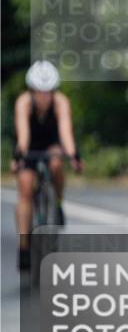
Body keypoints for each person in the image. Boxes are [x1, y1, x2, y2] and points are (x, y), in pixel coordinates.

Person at [11, 60, 83, 271]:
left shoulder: (61, 102)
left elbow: (66, 132)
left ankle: (58, 202)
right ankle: (24, 246)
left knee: (56, 165)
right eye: (39, 92)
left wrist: (74, 154)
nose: (43, 97)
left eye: (48, 92)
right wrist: (18, 157)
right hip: (30, 145)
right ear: (31, 90)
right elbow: (23, 135)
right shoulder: (23, 103)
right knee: (25, 186)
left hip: (52, 144)